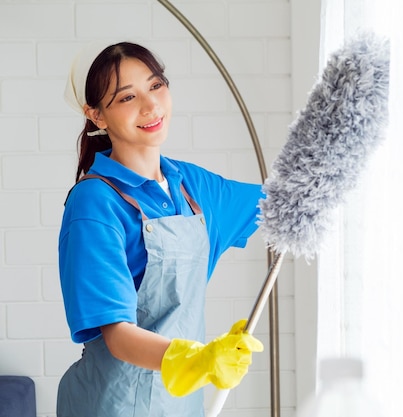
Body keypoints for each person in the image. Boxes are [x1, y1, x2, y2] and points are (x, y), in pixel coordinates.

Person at [57, 41, 264, 417]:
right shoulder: (95, 204)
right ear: (97, 115)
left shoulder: (192, 186)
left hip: (182, 405)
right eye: (126, 98)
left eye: (156, 86)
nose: (151, 106)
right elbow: (118, 336)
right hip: (112, 406)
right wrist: (199, 360)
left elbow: (284, 202)